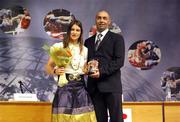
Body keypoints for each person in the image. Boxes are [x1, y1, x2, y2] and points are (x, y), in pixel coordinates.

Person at [45, 20, 96, 122]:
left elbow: (84, 70)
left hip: (81, 87)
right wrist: (55, 71)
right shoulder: (58, 46)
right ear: (68, 31)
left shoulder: (85, 50)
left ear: (81, 32)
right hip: (64, 87)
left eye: (78, 30)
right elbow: (48, 67)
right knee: (63, 118)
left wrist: (88, 70)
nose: (75, 32)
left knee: (83, 118)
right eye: (72, 29)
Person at [85, 10, 125, 122]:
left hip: (112, 86)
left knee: (116, 119)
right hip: (94, 88)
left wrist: (101, 72)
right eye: (99, 18)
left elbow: (119, 61)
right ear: (95, 20)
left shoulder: (117, 38)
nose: (101, 20)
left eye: (104, 18)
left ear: (109, 21)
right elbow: (85, 62)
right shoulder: (88, 42)